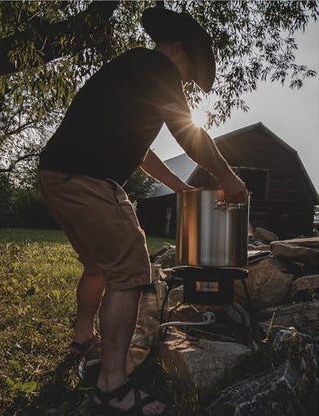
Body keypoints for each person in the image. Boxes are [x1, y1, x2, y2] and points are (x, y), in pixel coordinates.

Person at [38, 7, 247, 416]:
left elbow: (143, 154)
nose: (185, 82)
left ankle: (84, 339)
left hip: (56, 173)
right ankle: (112, 389)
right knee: (133, 271)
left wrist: (182, 188)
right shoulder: (156, 67)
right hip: (87, 177)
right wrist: (228, 176)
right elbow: (190, 131)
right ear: (176, 49)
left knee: (98, 266)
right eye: (189, 70)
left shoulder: (132, 72)